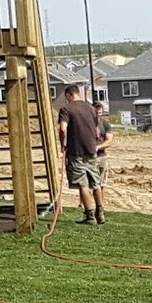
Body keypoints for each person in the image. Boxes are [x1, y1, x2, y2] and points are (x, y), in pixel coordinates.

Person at [56, 82, 108, 225]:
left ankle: (90, 216)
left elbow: (62, 128)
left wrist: (62, 144)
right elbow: (97, 131)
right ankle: (100, 212)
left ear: (68, 95)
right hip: (92, 152)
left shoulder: (66, 109)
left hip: (76, 152)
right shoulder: (90, 109)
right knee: (96, 182)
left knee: (83, 184)